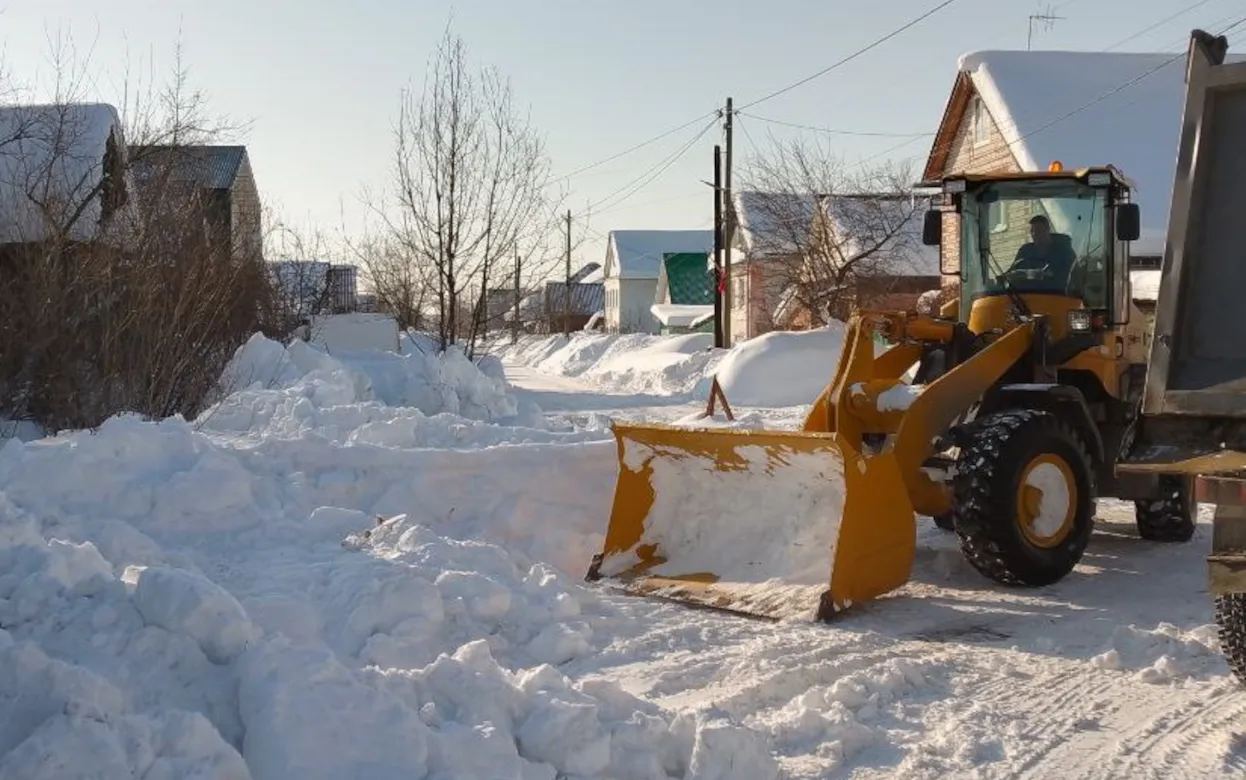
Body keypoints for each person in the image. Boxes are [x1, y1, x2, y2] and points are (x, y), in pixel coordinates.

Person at [1010, 214, 1076, 285]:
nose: (1034, 234)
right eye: (1032, 231)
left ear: (1047, 230)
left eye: (1038, 231)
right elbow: (1012, 273)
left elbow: (1072, 275)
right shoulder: (1025, 251)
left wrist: (1048, 274)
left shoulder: (1063, 251)